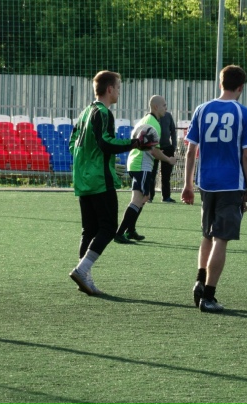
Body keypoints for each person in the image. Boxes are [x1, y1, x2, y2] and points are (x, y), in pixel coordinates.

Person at [181, 65, 247, 313]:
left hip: (206, 183)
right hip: (230, 183)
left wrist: (187, 184)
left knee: (207, 235)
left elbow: (191, 151)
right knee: (221, 239)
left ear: (220, 83)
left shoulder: (202, 109)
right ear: (241, 87)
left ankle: (199, 281)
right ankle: (209, 296)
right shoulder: (244, 113)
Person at [68, 70, 150, 295]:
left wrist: (86, 161)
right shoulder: (103, 113)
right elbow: (105, 143)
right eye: (118, 88)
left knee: (89, 229)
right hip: (99, 179)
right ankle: (82, 270)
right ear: (110, 89)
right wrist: (134, 143)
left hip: (82, 178)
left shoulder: (85, 112)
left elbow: (72, 143)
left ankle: (84, 275)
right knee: (108, 228)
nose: (119, 92)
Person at [114, 95, 177, 244]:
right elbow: (154, 151)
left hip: (136, 162)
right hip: (141, 165)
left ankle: (130, 230)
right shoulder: (153, 124)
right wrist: (168, 159)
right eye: (164, 105)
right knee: (138, 199)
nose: (166, 108)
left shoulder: (145, 120)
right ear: (156, 107)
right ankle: (119, 233)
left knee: (145, 196)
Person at [149, 111, 177, 203]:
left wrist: (173, 146)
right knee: (151, 173)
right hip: (154, 148)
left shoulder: (168, 116)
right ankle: (149, 196)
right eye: (164, 105)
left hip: (167, 148)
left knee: (166, 175)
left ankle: (166, 197)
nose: (165, 108)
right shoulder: (150, 117)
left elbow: (173, 131)